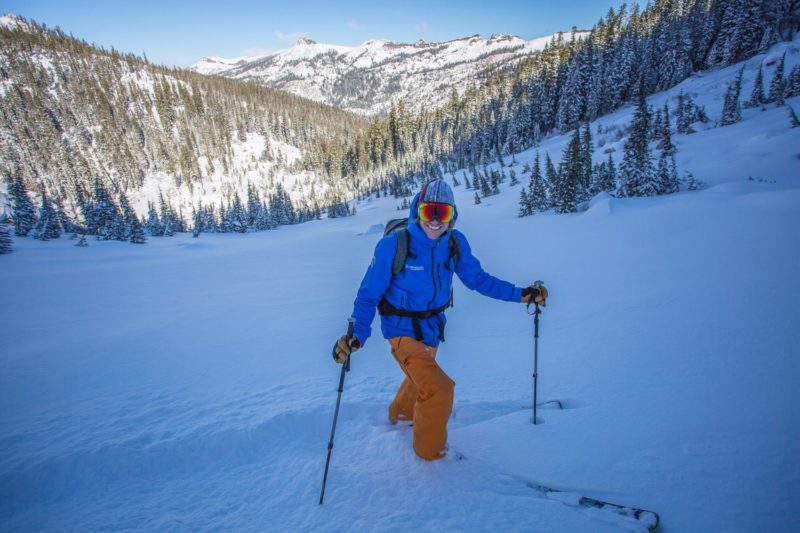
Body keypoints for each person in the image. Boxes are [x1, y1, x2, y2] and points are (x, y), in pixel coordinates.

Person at [332, 179, 547, 460]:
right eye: (428, 212)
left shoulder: (455, 244)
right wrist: (357, 334)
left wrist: (521, 295)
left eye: (442, 213)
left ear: (452, 217)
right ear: (417, 212)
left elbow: (479, 280)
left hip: (432, 329)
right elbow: (368, 295)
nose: (434, 221)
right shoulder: (394, 245)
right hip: (400, 330)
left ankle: (398, 418)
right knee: (439, 389)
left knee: (419, 378)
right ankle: (431, 456)